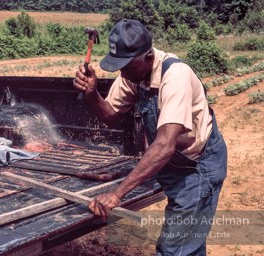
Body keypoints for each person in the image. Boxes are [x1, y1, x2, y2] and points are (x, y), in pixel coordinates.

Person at [73, 19, 227, 255]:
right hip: (172, 162)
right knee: (188, 244)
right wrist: (93, 95)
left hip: (198, 167)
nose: (122, 72)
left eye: (126, 65)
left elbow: (165, 145)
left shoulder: (175, 77)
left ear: (147, 56)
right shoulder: (133, 75)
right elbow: (112, 116)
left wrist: (116, 195)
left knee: (174, 248)